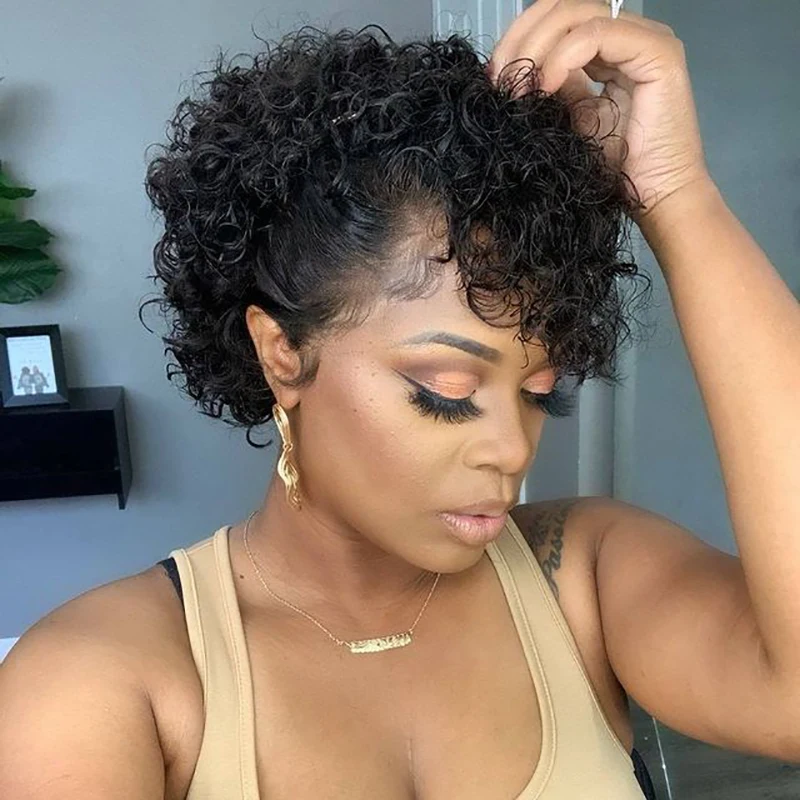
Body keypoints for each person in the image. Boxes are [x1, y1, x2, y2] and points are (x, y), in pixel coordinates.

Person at [2, 1, 799, 798]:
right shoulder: (100, 679)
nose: (513, 451)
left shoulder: (584, 576)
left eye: (538, 395)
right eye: (446, 392)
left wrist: (677, 196)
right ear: (283, 354)